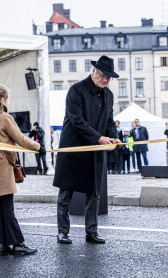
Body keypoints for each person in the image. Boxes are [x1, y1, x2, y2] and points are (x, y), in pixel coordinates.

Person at [53, 55, 121, 245]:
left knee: (94, 193)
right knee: (66, 194)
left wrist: (113, 136)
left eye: (108, 78)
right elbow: (77, 121)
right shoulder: (76, 90)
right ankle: (62, 232)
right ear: (93, 71)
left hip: (95, 150)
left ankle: (91, 232)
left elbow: (109, 121)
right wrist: (99, 138)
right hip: (73, 148)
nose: (105, 80)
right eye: (102, 75)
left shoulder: (108, 95)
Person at [0, 85, 46, 256]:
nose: (8, 101)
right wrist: (38, 147)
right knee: (7, 206)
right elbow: (21, 139)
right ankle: (17, 244)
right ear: (2, 100)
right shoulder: (4, 118)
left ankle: (1, 244)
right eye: (7, 98)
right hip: (3, 165)